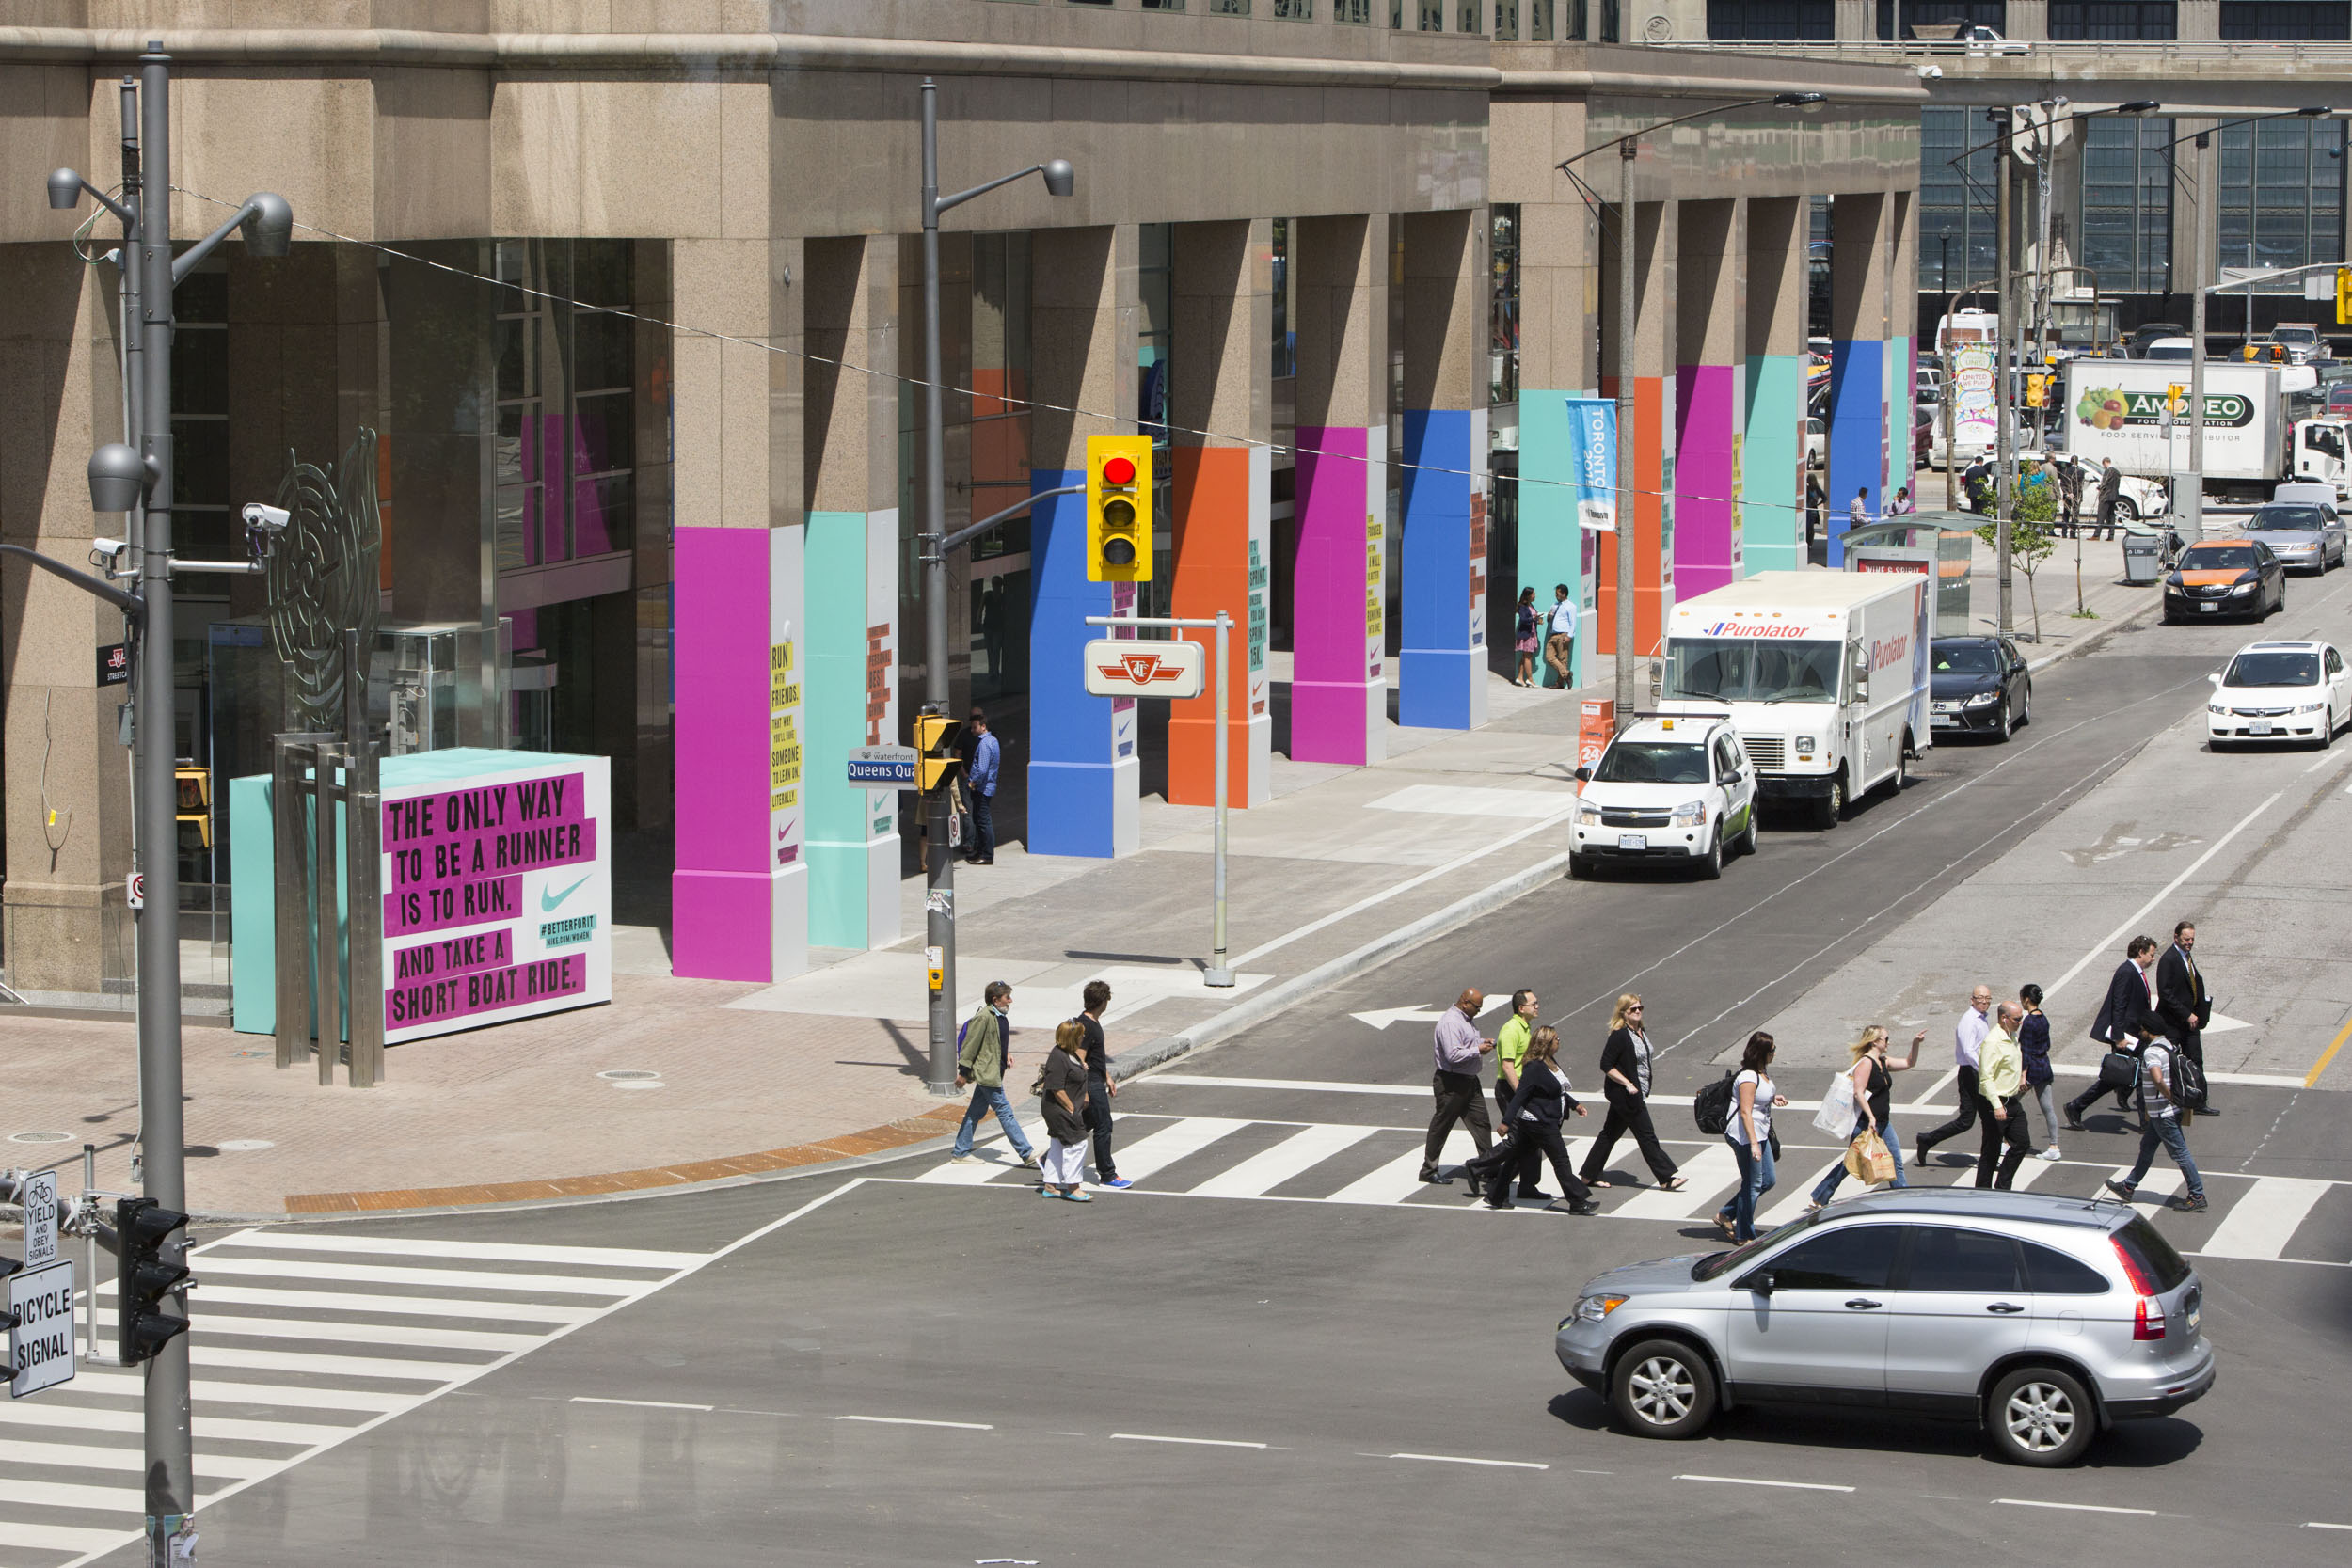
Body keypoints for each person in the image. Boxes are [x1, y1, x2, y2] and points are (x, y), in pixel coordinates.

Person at [1577, 994, 1688, 1192]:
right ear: (1623, 1013)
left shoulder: (1640, 1031)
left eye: (1640, 1008)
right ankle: (1666, 1177)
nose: (1638, 1011)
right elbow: (1606, 1065)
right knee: (1647, 1135)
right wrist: (1627, 1083)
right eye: (1633, 1009)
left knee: (1609, 1134)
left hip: (1636, 1092)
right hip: (1626, 1095)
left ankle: (1588, 1176)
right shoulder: (1619, 1035)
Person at [1806, 1024, 1924, 1211]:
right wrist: (1870, 1118)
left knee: (1894, 1161)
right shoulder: (1866, 1063)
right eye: (1886, 1038)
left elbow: (1909, 1063)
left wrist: (1915, 1043)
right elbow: (1858, 1093)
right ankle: (1820, 1196)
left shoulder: (1882, 1062)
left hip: (1883, 1123)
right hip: (1866, 1123)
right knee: (1850, 1163)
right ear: (1875, 1041)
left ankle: (1902, 1198)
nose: (1888, 1042)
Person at [1486, 1028, 1597, 1215]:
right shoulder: (1534, 1067)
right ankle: (1577, 1202)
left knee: (1516, 1158)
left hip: (1542, 1120)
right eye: (1556, 1039)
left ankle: (1496, 1195)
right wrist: (1506, 1122)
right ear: (1546, 1043)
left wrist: (1574, 1104)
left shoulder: (1550, 1062)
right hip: (1539, 1121)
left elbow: (1558, 1090)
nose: (1559, 1041)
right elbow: (1521, 1095)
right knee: (1561, 1160)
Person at [2102, 1028, 2210, 1213]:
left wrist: (2170, 1096)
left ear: (2149, 1031)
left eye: (2142, 1029)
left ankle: (2197, 1195)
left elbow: (2158, 1078)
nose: (2141, 1031)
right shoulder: (2167, 1045)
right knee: (2147, 1147)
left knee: (2180, 1154)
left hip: (2162, 1113)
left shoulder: (2151, 1052)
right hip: (2163, 1112)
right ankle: (2128, 1186)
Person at [2065, 936, 2163, 1130]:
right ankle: (2145, 1123)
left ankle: (2079, 1105)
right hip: (2126, 1037)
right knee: (2130, 1077)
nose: (2153, 959)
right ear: (2141, 952)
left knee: (2124, 1076)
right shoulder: (2127, 972)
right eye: (2151, 955)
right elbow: (2118, 1006)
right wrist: (2119, 1037)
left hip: (2135, 1034)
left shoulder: (2136, 972)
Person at [1465, 989, 1547, 1201]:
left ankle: (1528, 1185)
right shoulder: (1511, 1030)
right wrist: (1521, 1094)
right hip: (1510, 1090)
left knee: (1533, 1138)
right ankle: (1476, 1165)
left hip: (1520, 1089)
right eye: (1533, 1003)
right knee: (1518, 1139)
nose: (1537, 1006)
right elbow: (1508, 1066)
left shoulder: (1525, 1028)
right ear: (1521, 1008)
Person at [948, 980, 1040, 1167]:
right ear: (995, 999)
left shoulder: (999, 1017)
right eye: (1007, 997)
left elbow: (993, 1042)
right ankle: (1027, 1153)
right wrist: (963, 1073)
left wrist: (1005, 1054)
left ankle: (960, 1151)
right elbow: (970, 1046)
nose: (1010, 1001)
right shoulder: (984, 1017)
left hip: (993, 1072)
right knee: (1005, 1113)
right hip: (987, 1074)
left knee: (975, 1112)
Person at [1714, 1031, 1788, 1243]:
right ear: (1762, 1053)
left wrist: (1773, 1098)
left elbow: (1758, 1097)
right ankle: (1744, 1234)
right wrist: (1754, 1144)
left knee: (1768, 1180)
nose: (1774, 1053)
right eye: (1772, 1050)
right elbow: (1745, 1112)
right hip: (1746, 1136)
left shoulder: (1761, 1071)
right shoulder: (1748, 1076)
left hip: (1759, 1132)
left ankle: (1726, 1214)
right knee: (1753, 1183)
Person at [1911, 985, 1993, 1168]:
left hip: (1977, 1071)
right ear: (1972, 1000)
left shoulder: (1982, 1019)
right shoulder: (1969, 1020)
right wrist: (1984, 1070)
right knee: (1974, 1120)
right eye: (1980, 998)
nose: (1984, 1002)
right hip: (1971, 1073)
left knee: (1983, 1119)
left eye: (1987, 998)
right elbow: (1969, 1051)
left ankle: (1928, 1139)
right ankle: (1928, 1139)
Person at [1420, 988, 1496, 1184]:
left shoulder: (1465, 1020)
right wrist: (1478, 1049)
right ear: (1465, 1003)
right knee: (1442, 1125)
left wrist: (1480, 1042)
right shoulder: (1450, 1022)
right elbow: (1453, 1055)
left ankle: (1488, 1166)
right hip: (1451, 1083)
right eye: (1477, 1007)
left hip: (1470, 1081)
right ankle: (1429, 1170)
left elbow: (1465, 1043)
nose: (1479, 1011)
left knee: (1482, 1123)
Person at [1075, 979, 1130, 1190]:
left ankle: (1049, 1159)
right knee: (1104, 1125)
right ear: (1103, 1001)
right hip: (1091, 1084)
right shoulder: (1087, 1026)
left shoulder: (1091, 1023)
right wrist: (1086, 1091)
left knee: (1081, 1126)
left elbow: (1094, 1057)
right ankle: (1107, 1174)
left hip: (1098, 1079)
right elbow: (1079, 1059)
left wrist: (1107, 1075)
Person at [2155, 920, 2215, 1114]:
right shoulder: (2169, 959)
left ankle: (2199, 1101)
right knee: (2170, 1062)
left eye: (2192, 939)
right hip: (2174, 1023)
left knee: (2196, 1060)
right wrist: (2186, 1013)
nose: (2189, 942)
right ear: (2176, 937)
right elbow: (2166, 993)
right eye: (2186, 939)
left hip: (2191, 1023)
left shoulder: (2186, 957)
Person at [1973, 1001, 2032, 1191]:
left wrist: (2021, 1077)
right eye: (2017, 1019)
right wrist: (1997, 1105)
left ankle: (2002, 1185)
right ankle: (1982, 1190)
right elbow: (1985, 1078)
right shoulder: (1993, 1042)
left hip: (2011, 1099)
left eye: (2021, 1018)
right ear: (2004, 1018)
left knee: (2022, 1142)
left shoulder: (2011, 1035)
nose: (2020, 1022)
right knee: (1991, 1149)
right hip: (1994, 1101)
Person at [1036, 1020, 1093, 1201]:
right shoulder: (1058, 1057)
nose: (1083, 1037)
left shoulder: (1070, 1054)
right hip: (1059, 1108)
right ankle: (1073, 1187)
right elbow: (1056, 1088)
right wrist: (1070, 1109)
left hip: (1065, 1107)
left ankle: (1051, 1185)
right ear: (1072, 1037)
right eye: (1080, 1035)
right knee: (1077, 1143)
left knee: (1059, 1144)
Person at [2017, 982, 2063, 1161]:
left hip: (2032, 1069)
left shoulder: (2028, 1022)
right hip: (2044, 1066)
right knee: (2048, 1108)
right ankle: (2054, 1145)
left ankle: (2005, 1141)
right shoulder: (2043, 1018)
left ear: (2027, 999)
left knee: (2009, 1103)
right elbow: (2048, 1044)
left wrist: (2023, 1076)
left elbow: (2025, 1050)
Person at [963, 706, 999, 865]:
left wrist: (972, 782)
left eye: (975, 727)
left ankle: (986, 854)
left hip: (982, 788)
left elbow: (982, 768)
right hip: (987, 786)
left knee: (983, 821)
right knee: (979, 819)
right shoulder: (993, 741)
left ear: (983, 727)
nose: (972, 730)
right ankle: (981, 851)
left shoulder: (984, 744)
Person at [1545, 583, 1580, 689]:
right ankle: (1567, 674)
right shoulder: (1554, 605)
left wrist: (1569, 636)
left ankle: (1560, 683)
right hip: (1553, 634)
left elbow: (1573, 623)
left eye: (1558, 594)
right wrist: (1549, 617)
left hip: (1563, 634)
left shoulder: (1571, 606)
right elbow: (1549, 620)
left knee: (1563, 659)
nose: (1556, 596)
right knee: (1549, 657)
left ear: (1564, 594)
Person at [1513, 587, 1540, 688]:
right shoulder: (1522, 606)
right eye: (1533, 594)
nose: (1535, 596)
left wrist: (1537, 619)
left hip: (1532, 634)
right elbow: (1524, 619)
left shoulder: (1531, 605)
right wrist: (1533, 618)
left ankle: (1520, 677)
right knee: (1527, 657)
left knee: (1526, 657)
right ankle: (1530, 679)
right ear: (1528, 595)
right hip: (1526, 635)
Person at [2096, 457, 2122, 539]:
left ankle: (2097, 534)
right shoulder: (2117, 472)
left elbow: (2105, 482)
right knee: (2111, 515)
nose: (2103, 466)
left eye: (2103, 464)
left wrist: (2100, 488)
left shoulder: (2108, 471)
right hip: (2114, 496)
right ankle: (2111, 535)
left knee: (2101, 514)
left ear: (2105, 462)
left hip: (2106, 496)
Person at [2058, 459, 2084, 536]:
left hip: (2067, 496)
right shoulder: (2080, 472)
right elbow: (2079, 485)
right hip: (2076, 496)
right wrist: (2074, 494)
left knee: (2066, 514)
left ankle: (2064, 533)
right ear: (2077, 462)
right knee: (2075, 514)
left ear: (2071, 462)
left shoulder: (2065, 471)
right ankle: (2073, 533)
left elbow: (2062, 484)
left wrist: (2067, 493)